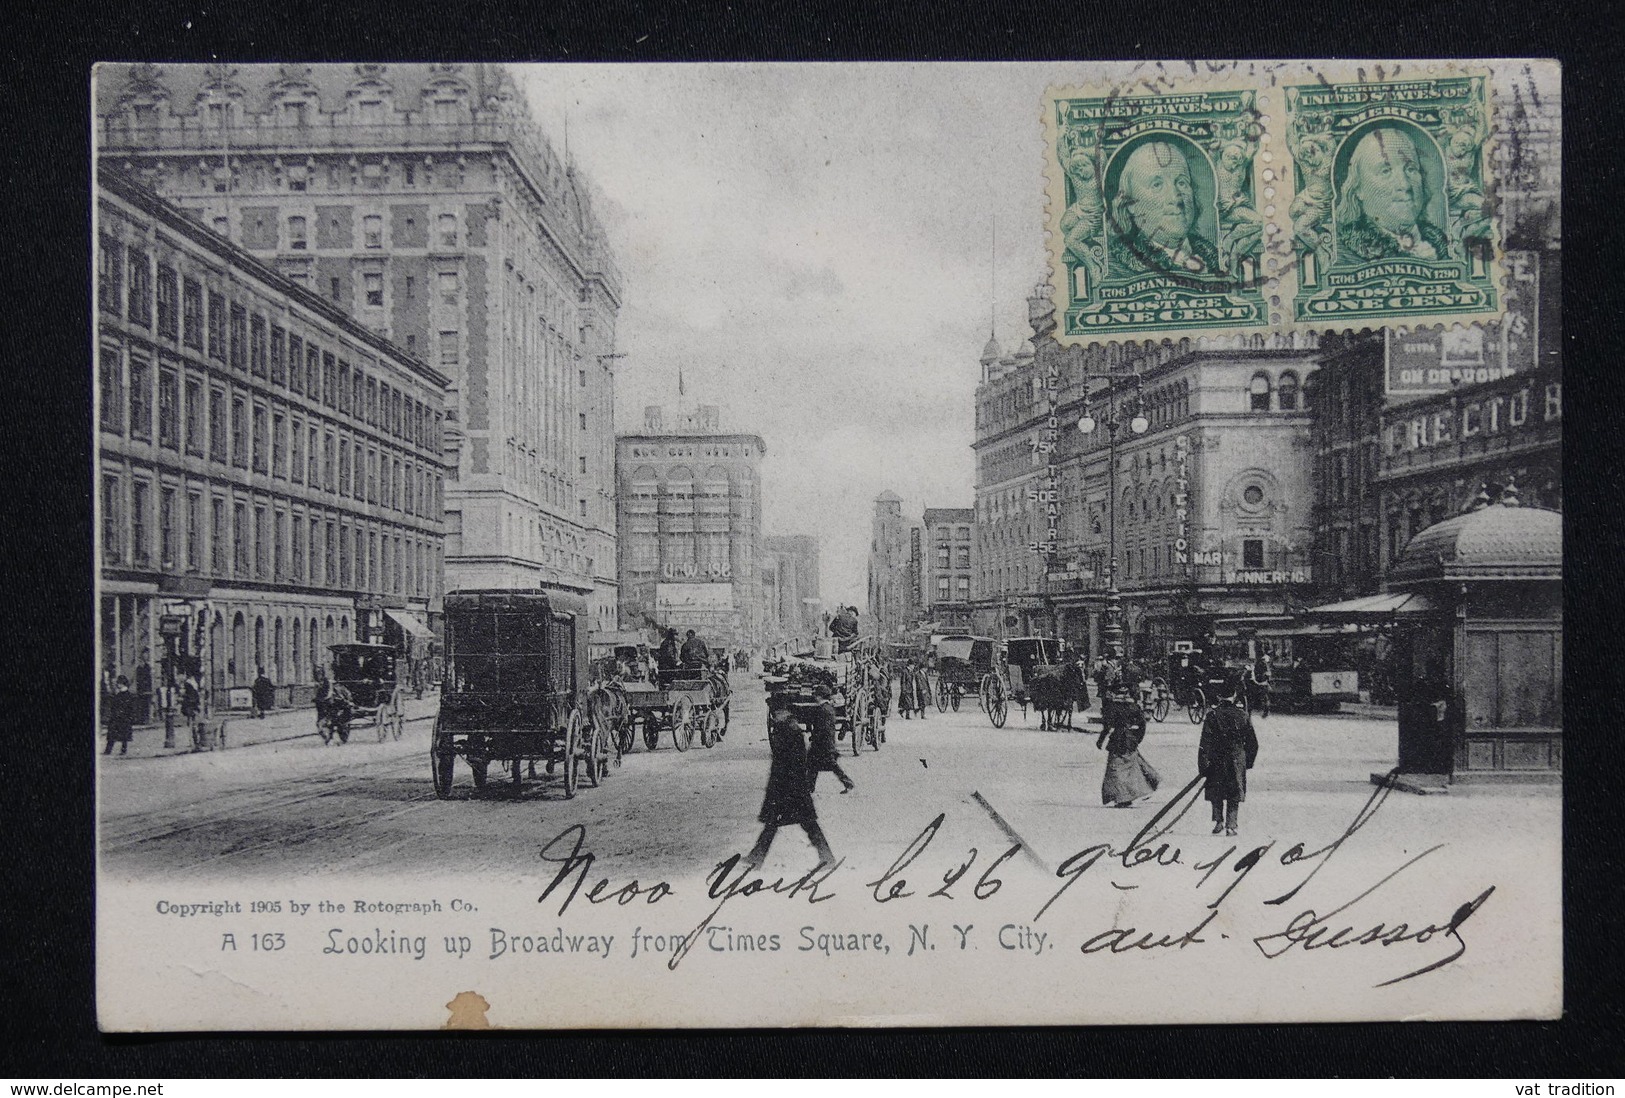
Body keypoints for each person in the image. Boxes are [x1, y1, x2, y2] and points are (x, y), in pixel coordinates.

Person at [742, 692, 836, 872]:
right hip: (787, 787)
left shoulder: (790, 730)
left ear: (783, 712)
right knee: (774, 823)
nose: (773, 716)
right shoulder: (787, 727)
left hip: (791, 788)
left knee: (805, 824)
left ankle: (827, 858)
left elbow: (794, 763)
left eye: (775, 712)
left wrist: (787, 787)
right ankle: (757, 857)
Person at [1335, 127, 1450, 265]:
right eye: (1385, 171)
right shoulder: (1342, 255)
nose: (1405, 185)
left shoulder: (1447, 247)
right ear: (1358, 188)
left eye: (1410, 169)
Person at [1108, 140, 1221, 278]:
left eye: (1182, 182)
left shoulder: (1215, 256)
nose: (1176, 199)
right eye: (1157, 185)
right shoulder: (1115, 268)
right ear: (1131, 204)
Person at [1197, 673, 1260, 836]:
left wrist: (1203, 766)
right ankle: (1231, 824)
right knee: (1234, 792)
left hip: (1216, 759)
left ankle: (1218, 821)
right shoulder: (1243, 715)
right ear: (1234, 696)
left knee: (1216, 790)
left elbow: (1205, 743)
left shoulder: (1212, 716)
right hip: (1236, 759)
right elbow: (1253, 743)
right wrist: (1248, 762)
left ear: (1219, 697)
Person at [806, 683, 855, 793]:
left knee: (828, 764)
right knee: (812, 764)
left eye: (817, 695)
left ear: (820, 696)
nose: (815, 697)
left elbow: (823, 729)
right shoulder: (828, 708)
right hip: (825, 742)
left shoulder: (823, 710)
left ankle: (848, 782)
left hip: (823, 743)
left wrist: (815, 738)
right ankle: (809, 787)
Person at [103, 675, 135, 756]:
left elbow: (129, 707)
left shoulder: (124, 694)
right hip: (118, 717)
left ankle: (112, 750)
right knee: (115, 734)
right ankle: (112, 750)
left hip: (122, 717)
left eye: (119, 683)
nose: (118, 685)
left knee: (119, 734)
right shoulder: (121, 693)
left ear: (123, 684)